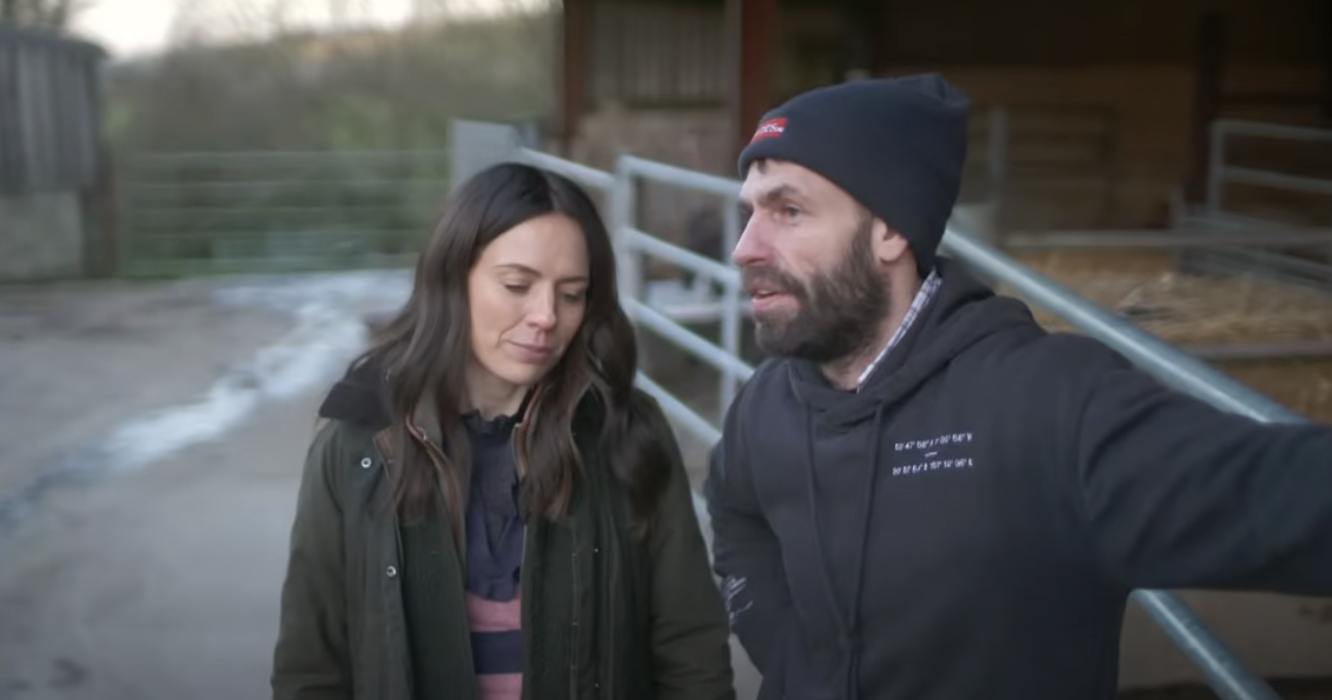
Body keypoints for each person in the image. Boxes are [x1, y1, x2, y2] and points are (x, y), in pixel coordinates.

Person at [705, 73, 1332, 700]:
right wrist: (790, 659)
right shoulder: (765, 405)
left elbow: (1278, 495)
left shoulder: (1049, 405)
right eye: (749, 212)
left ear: (890, 230)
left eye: (788, 211)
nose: (743, 248)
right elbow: (736, 516)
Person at [272, 162, 735, 700]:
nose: (545, 316)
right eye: (517, 284)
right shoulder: (357, 443)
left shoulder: (629, 432)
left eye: (571, 294)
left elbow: (690, 650)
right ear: (453, 276)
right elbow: (312, 666)